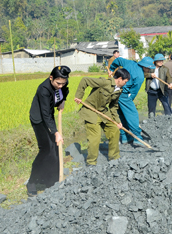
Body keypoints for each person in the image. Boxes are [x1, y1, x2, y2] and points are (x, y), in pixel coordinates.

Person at [27, 66, 71, 197]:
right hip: (39, 119)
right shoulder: (43, 89)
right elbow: (45, 114)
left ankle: (51, 181)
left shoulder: (62, 82)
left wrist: (62, 101)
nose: (60, 85)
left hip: (49, 117)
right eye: (58, 83)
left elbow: (65, 90)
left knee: (54, 150)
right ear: (50, 77)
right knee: (46, 150)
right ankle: (31, 183)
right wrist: (56, 132)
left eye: (63, 83)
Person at [74, 69, 130, 165]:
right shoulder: (104, 82)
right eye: (125, 82)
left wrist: (117, 121)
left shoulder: (119, 90)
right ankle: (91, 163)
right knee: (95, 137)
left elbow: (113, 106)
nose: (125, 84)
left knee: (114, 130)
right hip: (90, 110)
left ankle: (114, 157)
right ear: (120, 79)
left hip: (103, 111)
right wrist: (79, 96)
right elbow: (85, 80)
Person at [110, 56, 154, 144]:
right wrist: (128, 102)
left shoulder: (130, 63)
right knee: (132, 114)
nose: (149, 70)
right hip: (123, 94)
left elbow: (118, 60)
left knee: (121, 114)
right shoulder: (140, 76)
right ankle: (137, 137)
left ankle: (125, 137)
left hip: (114, 91)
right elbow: (133, 93)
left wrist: (111, 69)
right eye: (149, 68)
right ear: (144, 67)